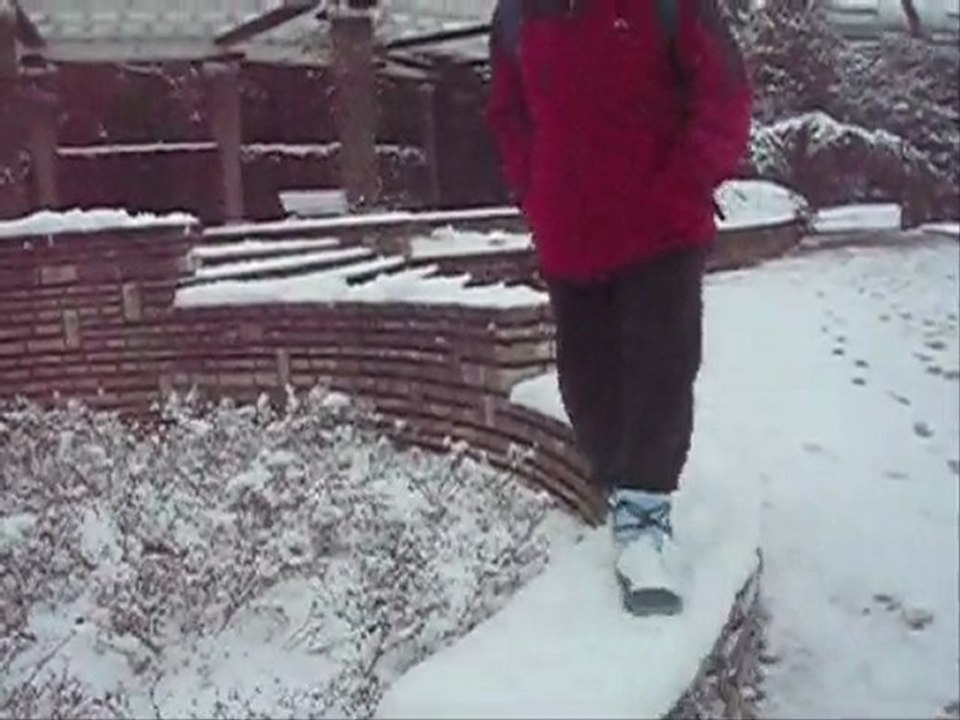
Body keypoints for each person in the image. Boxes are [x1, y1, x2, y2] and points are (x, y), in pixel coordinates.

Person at [486, 0, 752, 615]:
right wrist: (533, 185)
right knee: (585, 380)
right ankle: (621, 491)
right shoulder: (516, 15)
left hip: (661, 229)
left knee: (661, 371)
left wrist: (685, 180)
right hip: (568, 231)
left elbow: (725, 94)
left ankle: (645, 521)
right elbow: (508, 110)